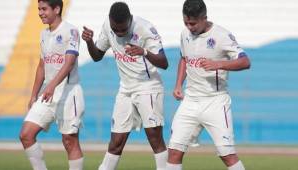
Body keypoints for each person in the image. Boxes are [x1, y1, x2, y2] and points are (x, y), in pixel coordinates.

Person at [82, 2, 168, 170]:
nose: (120, 33)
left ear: (130, 19)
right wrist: (89, 41)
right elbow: (97, 56)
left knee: (155, 139)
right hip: (125, 89)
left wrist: (144, 52)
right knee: (116, 142)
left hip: (147, 86)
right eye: (116, 30)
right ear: (110, 21)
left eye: (123, 29)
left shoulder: (145, 28)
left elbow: (164, 63)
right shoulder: (107, 25)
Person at [166, 0, 251, 170]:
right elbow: (184, 58)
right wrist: (178, 85)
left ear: (204, 18)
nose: (189, 26)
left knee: (227, 155)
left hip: (215, 102)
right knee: (174, 151)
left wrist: (218, 64)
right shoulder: (185, 34)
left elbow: (245, 62)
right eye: (186, 22)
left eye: (193, 23)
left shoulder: (221, 35)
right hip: (190, 101)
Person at [19, 0, 85, 170]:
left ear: (56, 9)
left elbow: (69, 62)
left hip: (69, 92)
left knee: (69, 141)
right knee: (26, 135)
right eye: (38, 9)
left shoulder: (71, 30)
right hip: (48, 94)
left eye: (44, 9)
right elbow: (42, 65)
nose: (40, 13)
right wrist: (34, 94)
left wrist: (52, 86)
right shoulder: (44, 34)